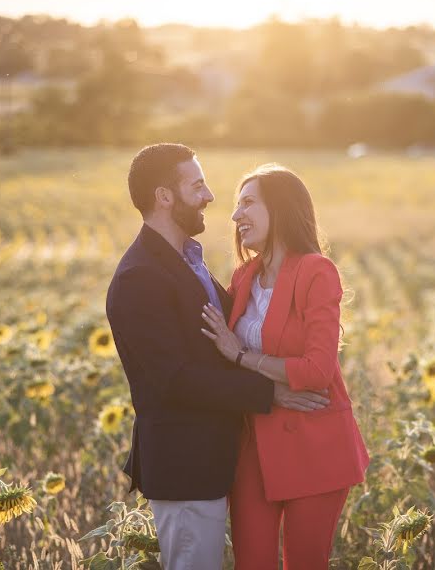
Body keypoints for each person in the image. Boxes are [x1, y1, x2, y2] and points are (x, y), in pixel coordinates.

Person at [105, 144, 332, 570]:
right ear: (164, 197)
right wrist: (272, 393)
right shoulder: (140, 277)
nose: (210, 196)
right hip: (185, 465)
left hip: (217, 461)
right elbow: (173, 380)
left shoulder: (188, 262)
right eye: (197, 185)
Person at [200, 163, 370, 569]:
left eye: (247, 203)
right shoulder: (242, 277)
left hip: (314, 448)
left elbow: (317, 371)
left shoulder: (316, 271)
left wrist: (242, 356)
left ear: (280, 208)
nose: (235, 216)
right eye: (236, 206)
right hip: (254, 446)